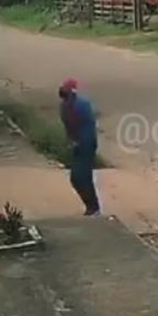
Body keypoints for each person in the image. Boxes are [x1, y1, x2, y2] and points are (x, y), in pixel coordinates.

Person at [59, 78, 100, 216]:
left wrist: (77, 142)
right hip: (78, 144)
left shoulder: (82, 105)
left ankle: (93, 207)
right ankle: (92, 207)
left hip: (86, 144)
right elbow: (68, 127)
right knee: (79, 177)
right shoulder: (64, 107)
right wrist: (70, 142)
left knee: (81, 177)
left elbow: (86, 126)